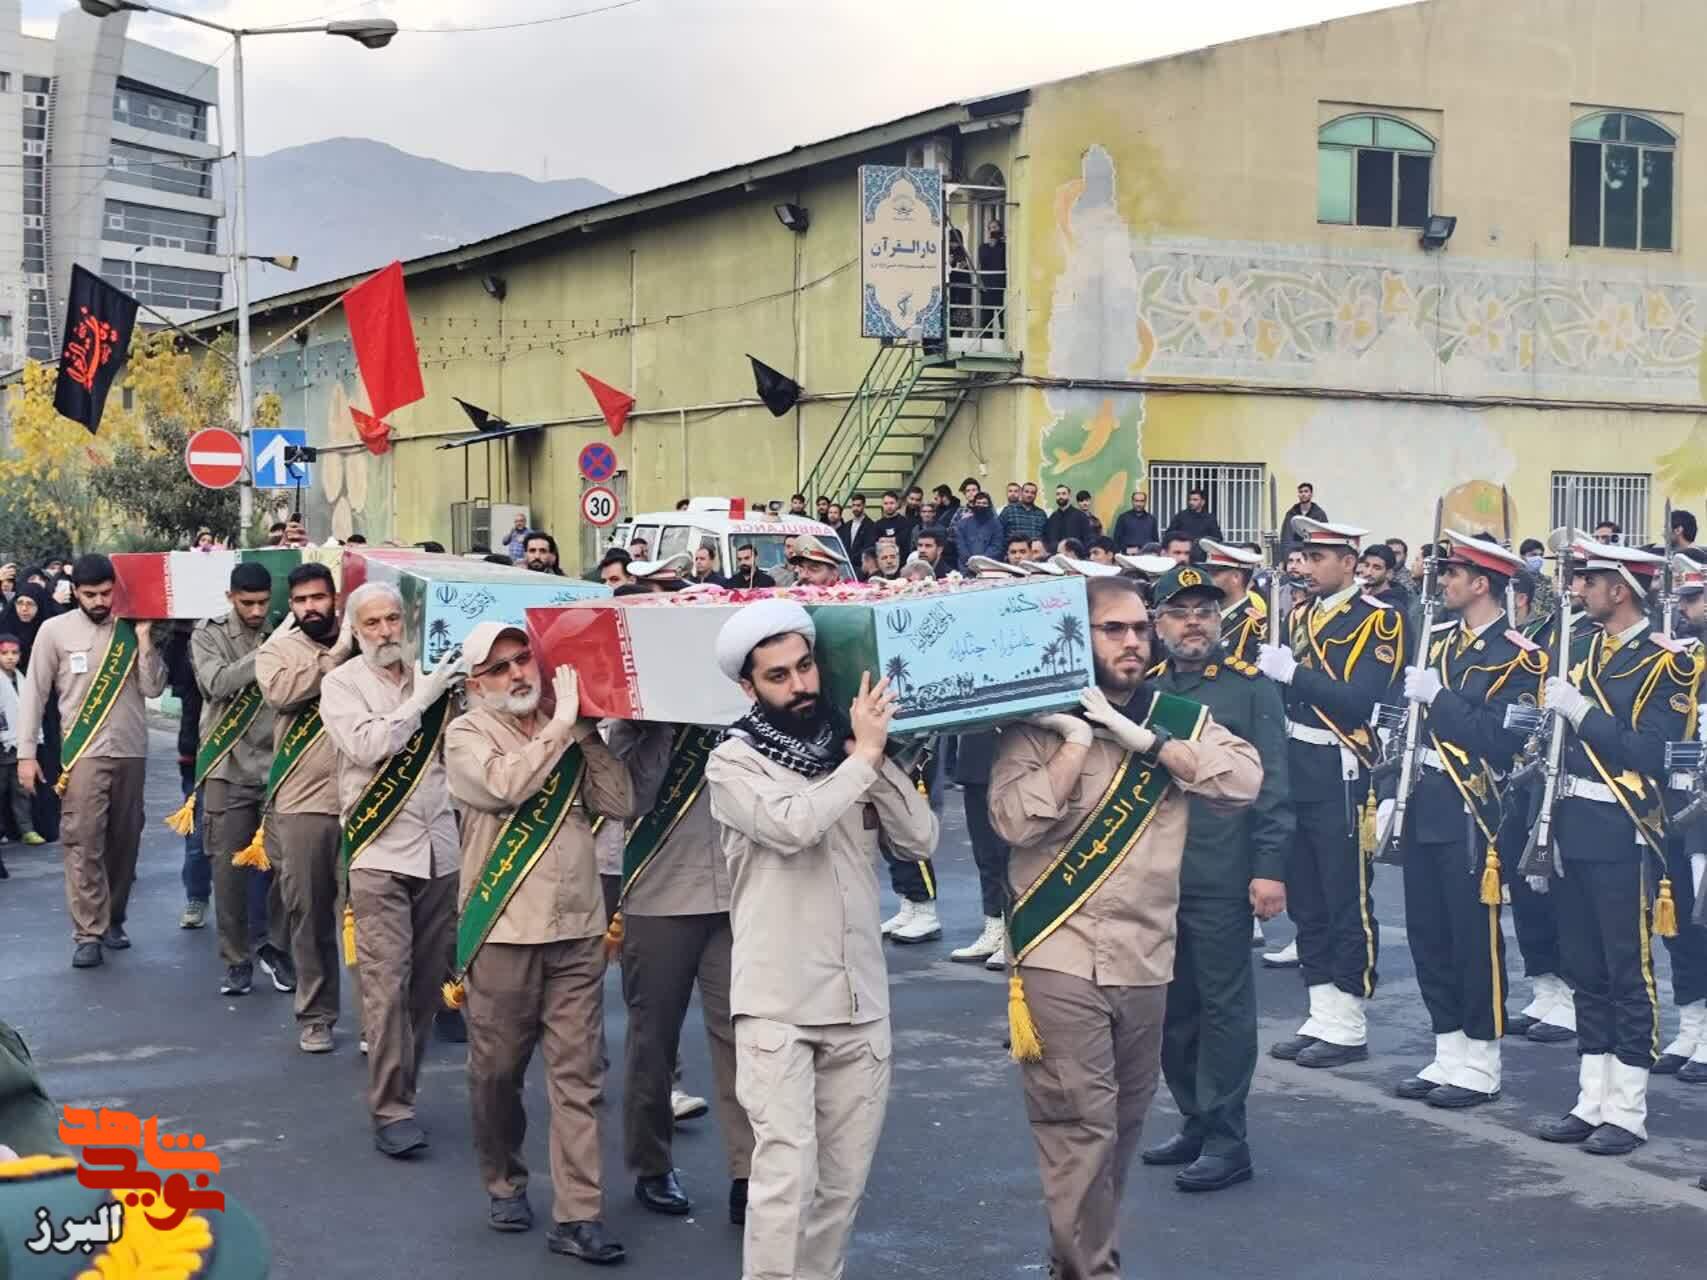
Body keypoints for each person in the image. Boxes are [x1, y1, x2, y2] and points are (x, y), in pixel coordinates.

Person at [989, 575, 1260, 1276]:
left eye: (1140, 628)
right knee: (1078, 1124)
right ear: (1078, 638)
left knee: (1120, 1127)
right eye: (1113, 629)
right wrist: (1076, 742)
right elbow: (1013, 821)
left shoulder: (1177, 718)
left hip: (1145, 955)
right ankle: (1093, 1268)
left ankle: (1076, 1258)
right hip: (1059, 952)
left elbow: (1242, 781)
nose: (1132, 641)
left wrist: (1150, 743)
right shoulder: (1036, 723)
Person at [705, 599, 936, 1280]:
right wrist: (862, 761)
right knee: (785, 1182)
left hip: (859, 1000)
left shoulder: (851, 747)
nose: (800, 685)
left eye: (805, 667)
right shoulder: (732, 763)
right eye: (778, 676)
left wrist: (874, 760)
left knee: (841, 1188)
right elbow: (794, 826)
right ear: (748, 687)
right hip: (777, 1003)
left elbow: (920, 839)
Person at [443, 623, 634, 1260]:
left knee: (579, 1077)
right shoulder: (466, 734)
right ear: (477, 685)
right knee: (497, 1073)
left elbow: (620, 801)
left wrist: (585, 733)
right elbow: (503, 786)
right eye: (498, 668)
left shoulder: (566, 726)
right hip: (504, 933)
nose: (517, 673)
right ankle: (504, 1178)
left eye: (522, 658)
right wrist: (559, 729)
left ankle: (578, 1215)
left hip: (577, 930)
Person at [1534, 539, 1701, 1155]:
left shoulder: (1669, 664)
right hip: (1572, 822)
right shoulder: (1579, 650)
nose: (1578, 589)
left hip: (1622, 827)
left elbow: (1650, 752)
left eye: (1590, 580)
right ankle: (1591, 1099)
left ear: (1621, 589)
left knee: (1626, 970)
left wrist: (1580, 711)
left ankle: (1627, 1110)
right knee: (1584, 968)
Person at [1141, 565, 1293, 1192]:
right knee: (1172, 1010)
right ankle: (1196, 1120)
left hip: (1221, 873)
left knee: (1223, 1010)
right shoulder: (1144, 689)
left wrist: (1269, 869)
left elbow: (1273, 784)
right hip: (1155, 877)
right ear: (1158, 624)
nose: (1194, 623)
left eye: (1205, 611)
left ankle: (1230, 1141)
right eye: (1180, 613)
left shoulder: (1249, 690)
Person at [1386, 533, 1543, 1111]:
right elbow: (1406, 729)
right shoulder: (1437, 639)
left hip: (1472, 809)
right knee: (1428, 933)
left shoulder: (1521, 658)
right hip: (1422, 799)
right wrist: (1388, 793)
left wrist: (1440, 699)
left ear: (1482, 583)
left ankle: (1482, 1059)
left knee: (1472, 938)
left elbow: (1500, 740)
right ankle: (1448, 1048)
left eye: (1453, 573)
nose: (1443, 580)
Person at [320, 581, 465, 1158]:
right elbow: (366, 745)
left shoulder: (436, 678)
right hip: (379, 852)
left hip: (440, 849)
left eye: (392, 620)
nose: (384, 632)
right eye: (372, 623)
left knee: (426, 985)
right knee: (386, 984)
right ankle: (392, 1108)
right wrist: (421, 702)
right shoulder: (341, 684)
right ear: (355, 630)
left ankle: (405, 1084)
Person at [1257, 518, 1405, 1068]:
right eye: (1305, 556)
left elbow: (1360, 700)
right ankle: (1322, 1011)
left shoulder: (1379, 620)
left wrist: (1293, 674)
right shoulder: (1297, 615)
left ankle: (1349, 1019)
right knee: (1307, 898)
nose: (1307, 566)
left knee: (1345, 897)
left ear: (1349, 562)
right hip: (1295, 764)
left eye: (1320, 558)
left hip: (1339, 769)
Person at [607, 714, 756, 1226]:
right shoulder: (637, 719)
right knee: (653, 1040)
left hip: (736, 893)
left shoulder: (742, 710)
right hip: (660, 895)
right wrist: (661, 730)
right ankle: (652, 1164)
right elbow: (630, 800)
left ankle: (749, 1172)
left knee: (745, 1036)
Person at [16, 555, 166, 968]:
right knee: (82, 841)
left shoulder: (130, 628)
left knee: (125, 841)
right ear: (75, 593)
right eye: (90, 594)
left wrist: (145, 638)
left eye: (105, 593)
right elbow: (34, 693)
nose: (99, 601)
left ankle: (113, 918)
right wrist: (26, 754)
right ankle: (88, 932)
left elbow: (154, 688)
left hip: (131, 750)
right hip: (84, 754)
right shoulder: (54, 631)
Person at [255, 563, 360, 1054]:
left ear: (335, 599)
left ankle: (377, 1021)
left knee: (368, 920)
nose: (310, 607)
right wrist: (335, 657)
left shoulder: (367, 641)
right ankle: (316, 1016)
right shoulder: (277, 651)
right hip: (302, 804)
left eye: (318, 598)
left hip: (365, 799)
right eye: (300, 601)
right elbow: (281, 694)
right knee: (310, 916)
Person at [189, 562, 294, 998]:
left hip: (276, 765)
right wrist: (271, 651)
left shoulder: (283, 629)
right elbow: (217, 683)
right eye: (247, 603)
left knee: (289, 866)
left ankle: (276, 947)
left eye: (263, 603)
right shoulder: (208, 633)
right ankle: (236, 960)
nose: (256, 611)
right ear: (231, 597)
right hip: (227, 766)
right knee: (228, 871)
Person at [1656, 555, 1707, 1079]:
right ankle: (1692, 1025)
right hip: (1676, 803)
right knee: (1679, 925)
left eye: (1694, 599)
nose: (1684, 609)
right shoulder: (1682, 660)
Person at [1200, 539, 1267, 665]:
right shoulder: (1204, 616)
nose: (1207, 579)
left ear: (1236, 577)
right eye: (1208, 572)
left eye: (1214, 574)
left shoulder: (1254, 626)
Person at [952, 490, 1005, 572]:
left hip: (989, 567)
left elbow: (996, 547)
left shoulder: (997, 525)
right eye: (978, 503)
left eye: (984, 503)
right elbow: (961, 547)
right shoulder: (962, 524)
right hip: (966, 568)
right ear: (974, 504)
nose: (981, 505)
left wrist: (981, 562)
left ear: (989, 505)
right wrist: (971, 563)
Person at [1044, 484, 1092, 553]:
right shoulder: (1052, 518)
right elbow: (1048, 540)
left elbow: (1088, 539)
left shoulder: (1081, 516)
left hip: (1076, 557)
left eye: (1064, 494)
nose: (1060, 496)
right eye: (1058, 494)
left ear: (1069, 496)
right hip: (1056, 557)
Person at [978, 218, 1006, 335]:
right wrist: (991, 246)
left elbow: (1002, 261)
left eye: (995, 227)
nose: (993, 230)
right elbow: (983, 262)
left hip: (1000, 286)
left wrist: (1001, 243)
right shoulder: (983, 247)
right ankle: (986, 340)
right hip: (987, 286)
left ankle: (1003, 339)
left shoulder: (1005, 246)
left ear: (1000, 229)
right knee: (986, 318)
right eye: (990, 228)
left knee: (1003, 318)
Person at [1358, 544, 1410, 608]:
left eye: (1376, 568)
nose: (1368, 572)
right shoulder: (1358, 593)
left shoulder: (1393, 605)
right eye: (1366, 565)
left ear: (1389, 573)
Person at [1281, 483, 1328, 553]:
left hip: (1313, 552)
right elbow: (1286, 537)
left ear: (1311, 494)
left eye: (1306, 491)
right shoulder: (1291, 514)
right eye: (1301, 492)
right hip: (1295, 553)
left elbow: (1324, 537)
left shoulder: (1319, 514)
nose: (1303, 494)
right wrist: (1287, 555)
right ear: (1298, 495)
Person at [1002, 482, 1048, 551]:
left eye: (1033, 493)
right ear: (1021, 493)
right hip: (1015, 552)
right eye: (1026, 492)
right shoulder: (1008, 510)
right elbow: (999, 533)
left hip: (1035, 553)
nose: (1029, 495)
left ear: (1035, 495)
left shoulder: (1041, 514)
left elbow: (1045, 536)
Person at [838, 493, 877, 562]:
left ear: (864, 506)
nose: (855, 508)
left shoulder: (871, 525)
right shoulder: (847, 525)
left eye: (858, 505)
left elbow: (868, 548)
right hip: (846, 564)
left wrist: (851, 559)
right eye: (853, 505)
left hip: (861, 565)